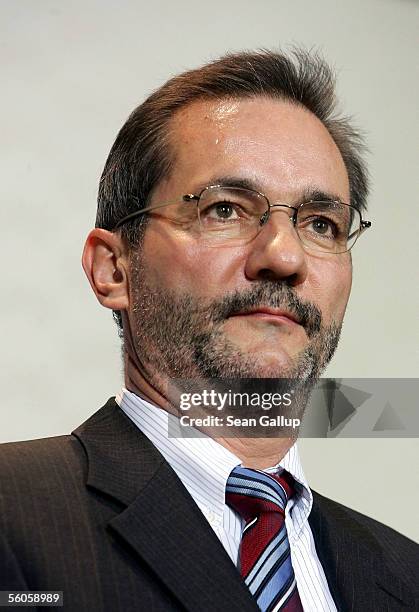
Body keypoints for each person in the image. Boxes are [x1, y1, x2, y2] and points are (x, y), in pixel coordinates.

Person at [0, 49, 417, 612]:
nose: (285, 255)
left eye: (321, 224)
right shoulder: (13, 514)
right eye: (225, 210)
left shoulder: (405, 575)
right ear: (114, 269)